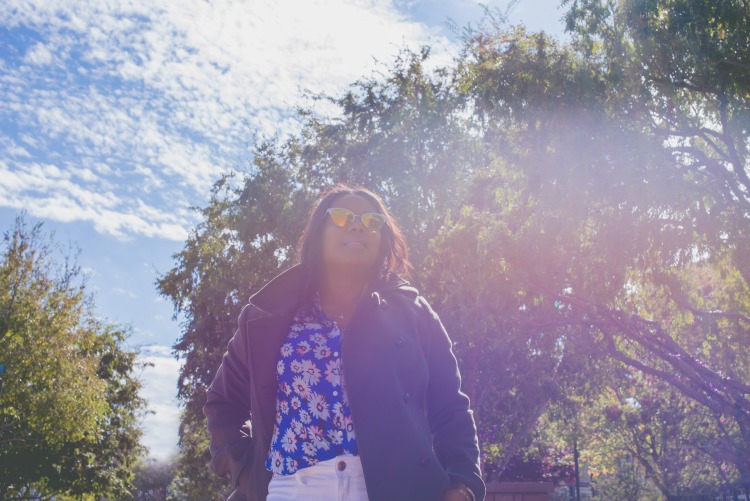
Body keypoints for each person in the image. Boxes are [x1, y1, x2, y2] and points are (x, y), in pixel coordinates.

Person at [204, 184, 485, 501]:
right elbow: (223, 404)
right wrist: (247, 473)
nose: (357, 225)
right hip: (292, 490)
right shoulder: (266, 316)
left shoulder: (415, 313)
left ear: (382, 240)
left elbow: (451, 407)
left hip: (395, 489)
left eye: (371, 221)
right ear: (317, 233)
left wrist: (462, 486)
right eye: (341, 217)